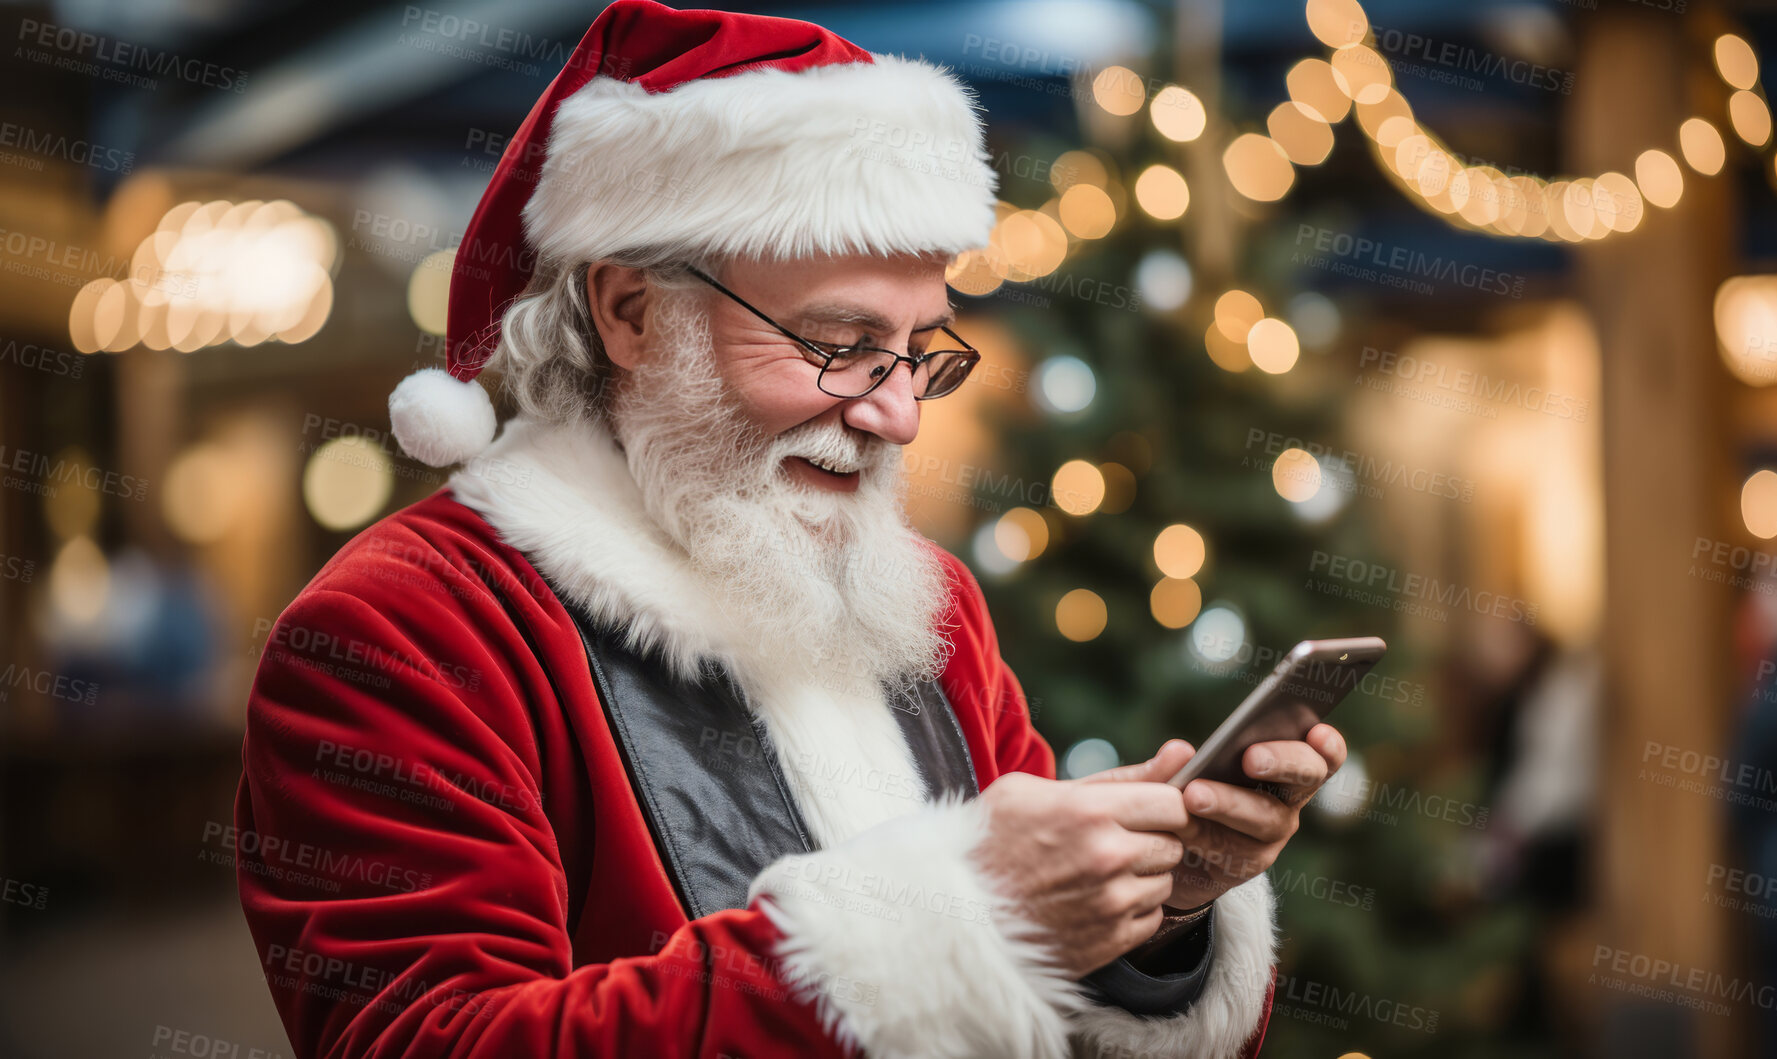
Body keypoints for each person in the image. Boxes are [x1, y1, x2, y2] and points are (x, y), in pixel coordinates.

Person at [234, 3, 1347, 1056]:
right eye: (835, 344)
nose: (897, 412)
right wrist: (947, 926)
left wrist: (1153, 914)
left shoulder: (930, 605)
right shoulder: (402, 632)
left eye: (920, 350)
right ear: (630, 311)